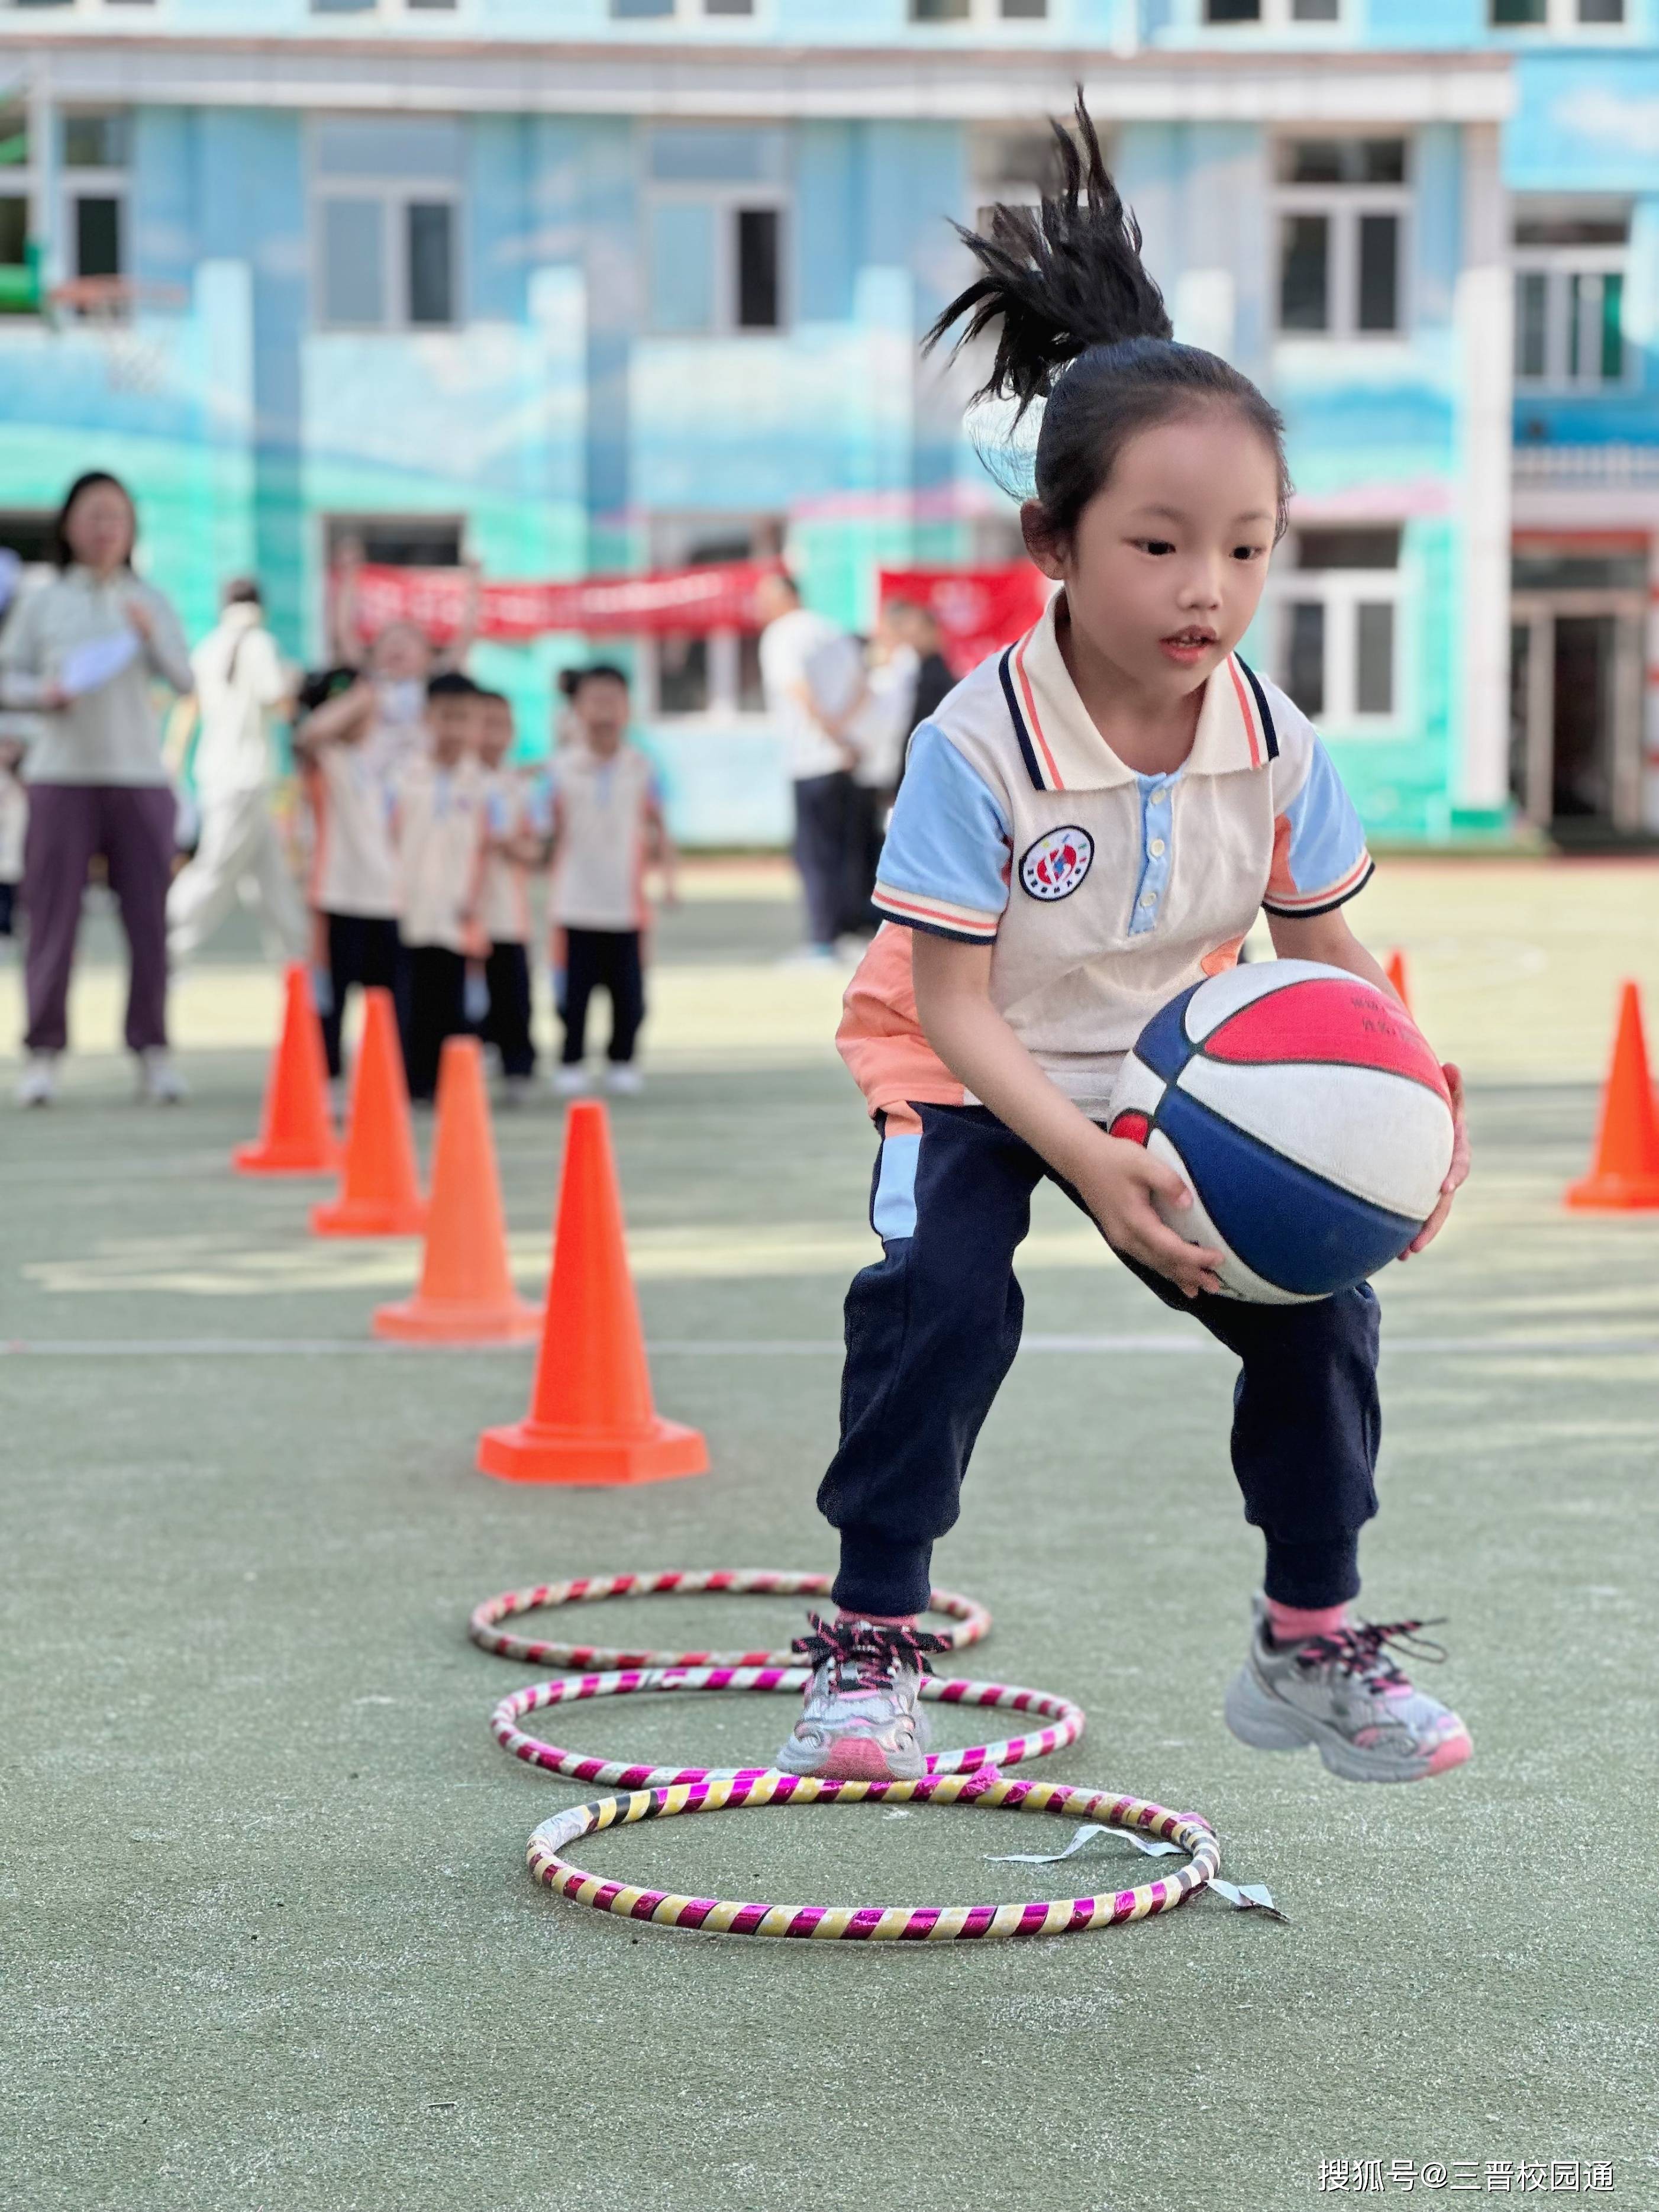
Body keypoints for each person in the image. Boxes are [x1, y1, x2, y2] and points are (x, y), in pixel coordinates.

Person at [773, 99, 1473, 1792]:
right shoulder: (972, 742)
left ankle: (1308, 1636)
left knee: (1325, 1310)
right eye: (1156, 546)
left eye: (1243, 548)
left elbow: (1327, 956)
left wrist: (1413, 1121)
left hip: (1182, 1068)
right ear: (1054, 548)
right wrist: (1086, 1164)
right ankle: (871, 1635)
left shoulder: (1276, 738)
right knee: (940, 1292)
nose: (1203, 588)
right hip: (962, 1061)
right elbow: (949, 996)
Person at [0, 471, 193, 1106]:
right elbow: (7, 680)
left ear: (132, 528)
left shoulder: (150, 601)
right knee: (51, 918)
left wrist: (149, 636)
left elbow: (186, 681)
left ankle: (152, 1050)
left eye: (117, 516)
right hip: (60, 777)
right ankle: (44, 1054)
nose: (105, 528)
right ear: (69, 526)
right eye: (93, 516)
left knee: (148, 919)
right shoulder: (42, 601)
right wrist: (42, 697)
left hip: (138, 776)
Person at [165, 578, 309, 965]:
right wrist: (294, 684)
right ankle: (166, 938)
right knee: (216, 868)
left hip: (222, 772)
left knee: (271, 878)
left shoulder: (210, 645)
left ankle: (298, 961)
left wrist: (175, 755)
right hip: (244, 776)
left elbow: (189, 706)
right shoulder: (260, 644)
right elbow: (280, 703)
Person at [547, 663, 674, 1098]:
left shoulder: (641, 767)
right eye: (594, 701)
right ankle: (571, 1059)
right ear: (577, 709)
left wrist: (669, 879)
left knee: (629, 996)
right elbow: (546, 829)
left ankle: (623, 1059)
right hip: (574, 902)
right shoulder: (560, 769)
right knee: (573, 996)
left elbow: (659, 824)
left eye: (612, 701)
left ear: (627, 709)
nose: (603, 711)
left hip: (625, 904)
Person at [292, 648, 403, 1086]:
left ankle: (385, 1080)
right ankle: (329, 1082)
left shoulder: (380, 760)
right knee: (331, 1000)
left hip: (386, 897)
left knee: (388, 1001)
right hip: (337, 894)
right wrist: (361, 692)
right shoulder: (326, 758)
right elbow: (309, 735)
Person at [756, 572, 866, 960]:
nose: (760, 607)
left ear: (785, 596)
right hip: (848, 758)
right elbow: (863, 687)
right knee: (847, 852)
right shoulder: (833, 631)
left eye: (765, 597)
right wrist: (846, 736)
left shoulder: (782, 635)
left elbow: (797, 689)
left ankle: (822, 940)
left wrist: (830, 734)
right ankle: (852, 932)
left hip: (811, 758)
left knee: (815, 854)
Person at [389, 672, 488, 1104]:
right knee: (408, 1005)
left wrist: (476, 901)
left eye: (463, 718)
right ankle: (410, 1083)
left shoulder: (484, 784)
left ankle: (454, 1088)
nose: (453, 729)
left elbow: (490, 848)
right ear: (426, 718)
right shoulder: (402, 778)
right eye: (445, 717)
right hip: (408, 911)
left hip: (458, 913)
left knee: (454, 1005)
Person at [472, 687, 541, 1101]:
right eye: (486, 724)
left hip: (506, 913)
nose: (494, 735)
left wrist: (512, 846)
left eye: (503, 725)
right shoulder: (458, 779)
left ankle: (518, 1066)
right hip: (459, 913)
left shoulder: (518, 787)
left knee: (512, 996)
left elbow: (535, 847)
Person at [842, 605, 919, 933]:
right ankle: (866, 914)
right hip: (873, 767)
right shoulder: (890, 665)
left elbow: (891, 720)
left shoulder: (904, 664)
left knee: (878, 845)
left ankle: (875, 916)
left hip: (886, 768)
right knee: (866, 844)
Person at [901, 602, 956, 743]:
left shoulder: (936, 674)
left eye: (918, 633)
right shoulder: (915, 667)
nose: (914, 640)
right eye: (910, 635)